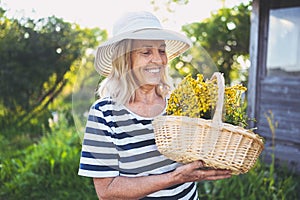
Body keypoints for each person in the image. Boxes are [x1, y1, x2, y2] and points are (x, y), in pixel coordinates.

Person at [78, 11, 231, 200]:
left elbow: (196, 154)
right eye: (146, 52)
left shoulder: (178, 105)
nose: (158, 60)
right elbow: (107, 191)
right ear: (125, 60)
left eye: (162, 50)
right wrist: (174, 178)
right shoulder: (104, 114)